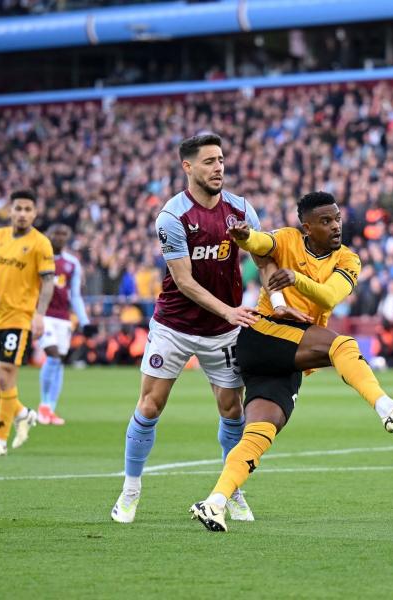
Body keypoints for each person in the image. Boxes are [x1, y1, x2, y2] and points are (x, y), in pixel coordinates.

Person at [189, 191, 393, 532]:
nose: (336, 226)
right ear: (307, 228)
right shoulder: (288, 239)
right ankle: (386, 407)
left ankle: (214, 502)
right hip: (265, 333)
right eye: (325, 221)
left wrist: (295, 279)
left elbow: (329, 295)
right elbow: (261, 243)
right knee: (343, 345)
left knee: (261, 432)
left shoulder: (348, 259)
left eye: (337, 218)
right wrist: (246, 236)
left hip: (290, 353)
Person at [110, 133, 262, 523]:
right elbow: (184, 281)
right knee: (150, 405)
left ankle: (232, 490)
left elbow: (265, 256)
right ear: (188, 167)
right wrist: (230, 310)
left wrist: (274, 297)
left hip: (223, 332)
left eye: (222, 160)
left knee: (232, 411)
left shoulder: (241, 209)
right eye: (210, 161)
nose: (219, 168)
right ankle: (130, 491)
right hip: (174, 326)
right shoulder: (172, 216)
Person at [0, 190, 55, 457]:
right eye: (18, 208)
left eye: (27, 209)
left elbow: (47, 282)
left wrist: (40, 315)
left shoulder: (40, 243)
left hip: (19, 320)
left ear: (34, 213)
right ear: (10, 211)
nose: (22, 213)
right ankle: (21, 412)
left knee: (5, 375)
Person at [37, 223, 92, 425]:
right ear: (48, 236)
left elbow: (75, 295)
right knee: (52, 356)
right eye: (56, 234)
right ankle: (44, 406)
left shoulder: (72, 264)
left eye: (63, 234)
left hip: (63, 318)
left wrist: (85, 322)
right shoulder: (39, 258)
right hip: (43, 315)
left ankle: (50, 408)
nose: (59, 238)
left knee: (58, 361)